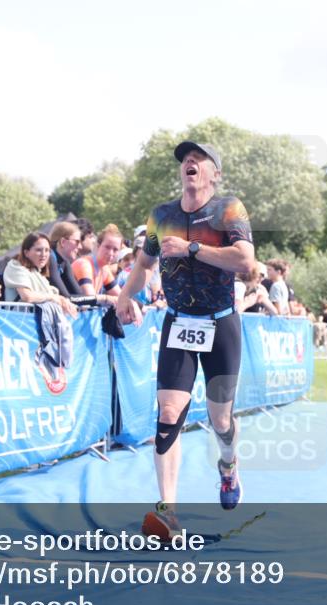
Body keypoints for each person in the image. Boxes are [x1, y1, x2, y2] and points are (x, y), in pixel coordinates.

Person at [115, 141, 254, 538]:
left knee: (220, 419)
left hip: (221, 323)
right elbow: (144, 264)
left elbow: (245, 261)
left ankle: (228, 467)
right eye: (185, 160)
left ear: (215, 173)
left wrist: (193, 248)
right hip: (179, 324)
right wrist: (126, 295)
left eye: (199, 159)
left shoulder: (229, 209)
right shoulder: (162, 215)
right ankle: (167, 511)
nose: (189, 163)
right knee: (169, 412)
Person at [2, 232, 78, 316]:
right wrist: (53, 297)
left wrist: (62, 300)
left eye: (47, 250)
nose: (44, 254)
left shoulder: (38, 273)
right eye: (39, 250)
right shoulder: (15, 266)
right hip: (18, 323)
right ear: (26, 252)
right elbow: (27, 296)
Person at [72, 223, 123, 299]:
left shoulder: (105, 269)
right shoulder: (84, 264)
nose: (110, 253)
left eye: (115, 249)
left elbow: (121, 297)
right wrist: (110, 299)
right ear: (98, 246)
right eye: (107, 247)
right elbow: (90, 298)